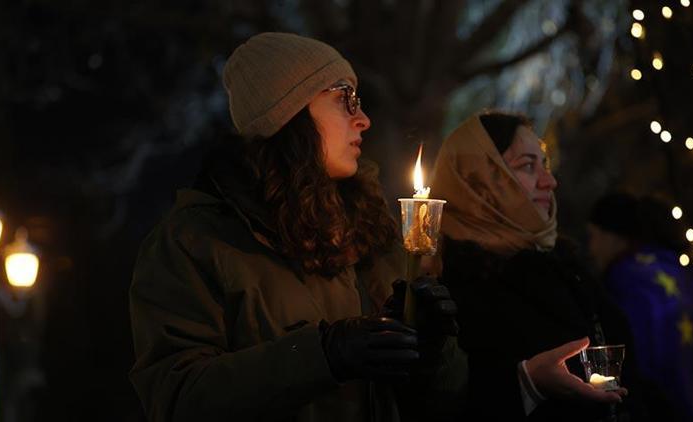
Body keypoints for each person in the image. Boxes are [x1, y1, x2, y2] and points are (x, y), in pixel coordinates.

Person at [128, 32, 465, 422]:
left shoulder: (371, 231)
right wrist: (322, 356)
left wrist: (432, 349)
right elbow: (176, 398)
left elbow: (446, 399)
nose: (363, 118)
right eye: (345, 98)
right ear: (288, 112)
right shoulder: (195, 243)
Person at [430, 110, 639, 421]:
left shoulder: (563, 263)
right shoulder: (448, 290)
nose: (550, 181)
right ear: (479, 181)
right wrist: (528, 383)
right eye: (528, 166)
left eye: (545, 164)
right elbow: (449, 404)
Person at [587, 192, 693, 422]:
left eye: (593, 236)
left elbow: (634, 364)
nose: (592, 248)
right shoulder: (676, 269)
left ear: (612, 235)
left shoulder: (624, 279)